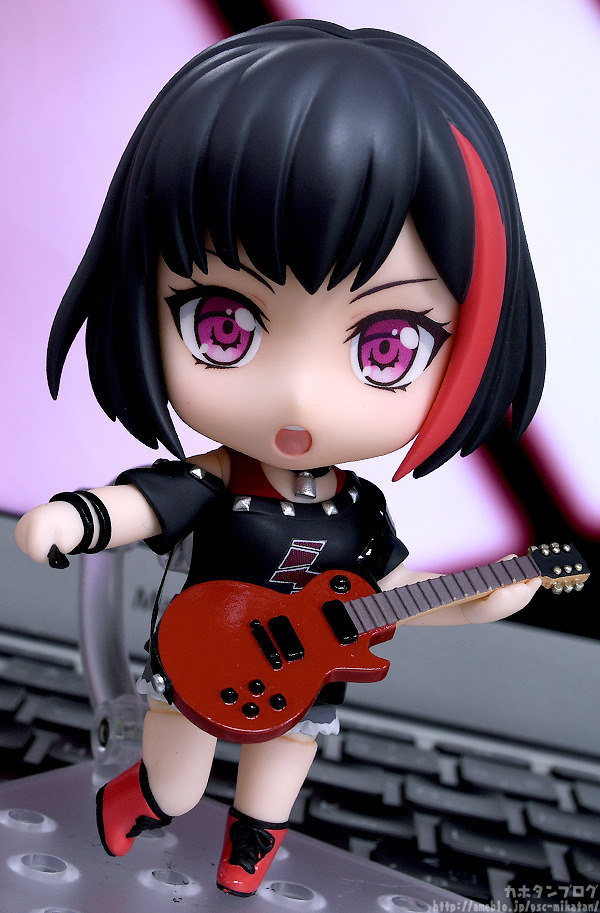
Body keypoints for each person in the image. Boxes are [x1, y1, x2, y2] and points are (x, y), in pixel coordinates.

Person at [15, 20, 545, 897]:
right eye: (223, 324)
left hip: (302, 685)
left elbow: (388, 594)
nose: (298, 397)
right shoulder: (221, 479)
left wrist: (477, 600)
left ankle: (248, 852)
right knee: (177, 781)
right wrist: (78, 515)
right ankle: (139, 797)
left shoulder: (359, 511)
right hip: (198, 660)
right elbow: (147, 501)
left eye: (386, 346)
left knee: (275, 784)